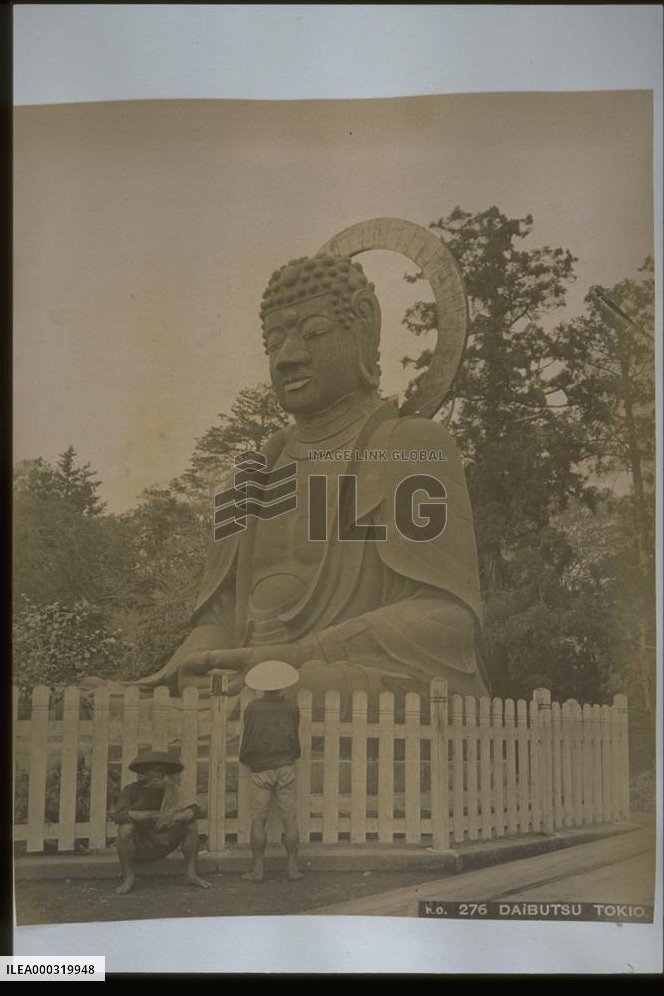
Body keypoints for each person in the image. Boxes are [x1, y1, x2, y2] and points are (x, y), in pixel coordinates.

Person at [138, 250, 489, 707]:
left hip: (351, 676)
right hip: (252, 677)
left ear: (362, 327)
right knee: (156, 707)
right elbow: (219, 619)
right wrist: (201, 657)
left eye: (314, 333)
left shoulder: (411, 445)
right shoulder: (248, 476)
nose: (288, 357)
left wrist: (302, 654)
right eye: (275, 342)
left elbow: (449, 621)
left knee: (289, 693)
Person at [238, 660, 303, 882]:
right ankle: (293, 868)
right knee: (290, 819)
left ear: (262, 686)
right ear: (283, 685)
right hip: (285, 766)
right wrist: (291, 756)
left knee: (258, 820)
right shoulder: (291, 707)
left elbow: (248, 738)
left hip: (261, 768)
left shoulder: (253, 708)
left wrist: (247, 759)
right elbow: (294, 738)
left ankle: (258, 870)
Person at [112, 750, 211, 894]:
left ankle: (191, 874)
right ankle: (129, 878)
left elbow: (195, 810)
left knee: (191, 824)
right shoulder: (131, 790)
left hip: (165, 841)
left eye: (160, 772)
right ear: (145, 773)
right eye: (152, 771)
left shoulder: (172, 790)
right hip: (141, 845)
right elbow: (119, 816)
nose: (156, 775)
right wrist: (149, 815)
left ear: (165, 774)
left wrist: (176, 817)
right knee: (125, 829)